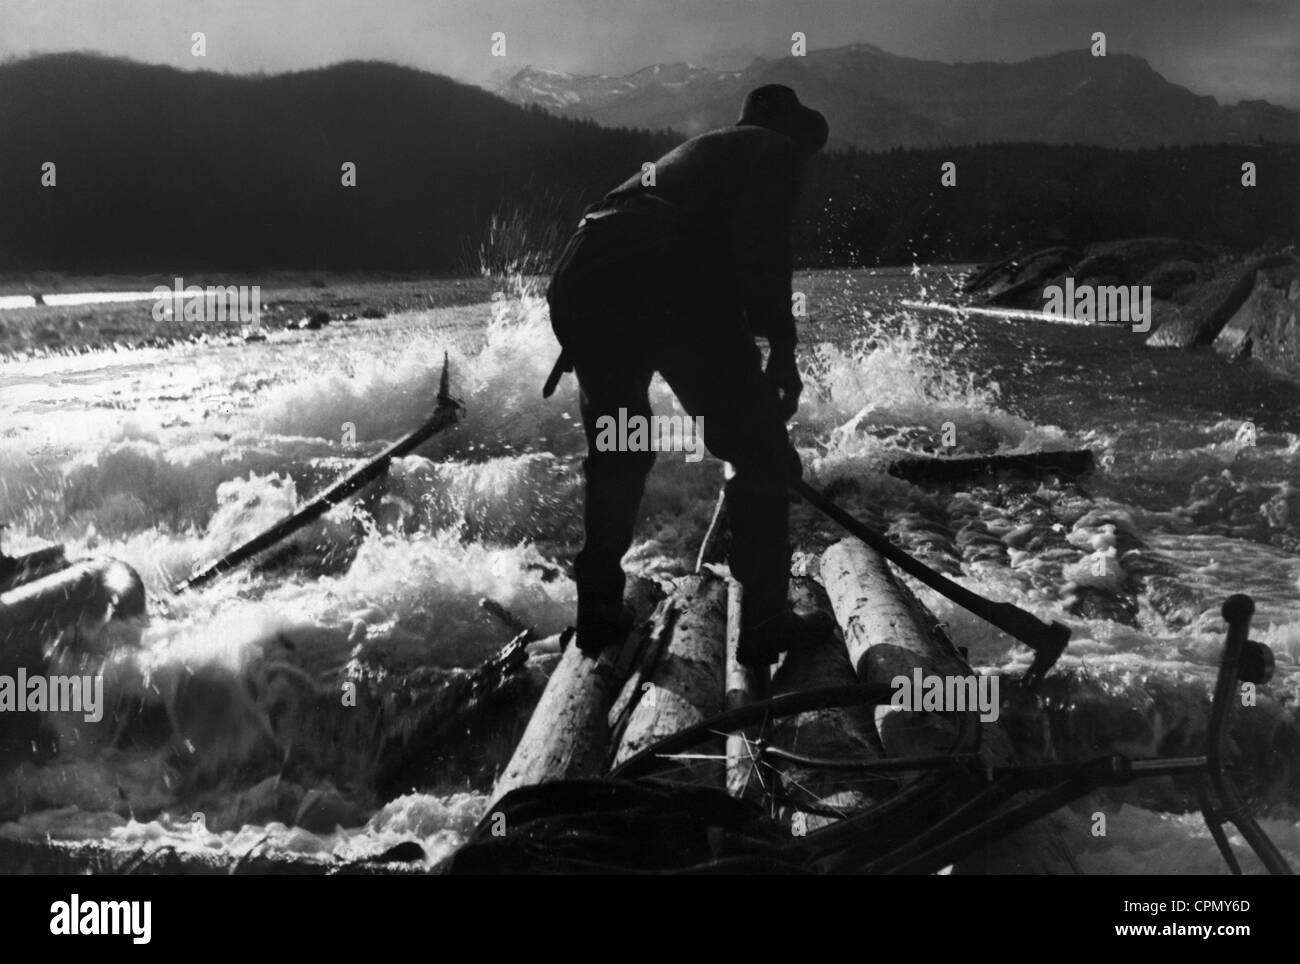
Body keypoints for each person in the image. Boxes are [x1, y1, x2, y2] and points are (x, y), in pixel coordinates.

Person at [545, 85, 830, 668]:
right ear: (792, 132)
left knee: (620, 447)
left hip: (583, 266)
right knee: (760, 453)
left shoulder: (704, 157)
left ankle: (598, 615)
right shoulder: (773, 150)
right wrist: (782, 352)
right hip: (655, 265)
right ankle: (766, 623)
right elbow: (763, 252)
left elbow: (719, 276)